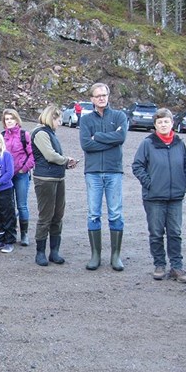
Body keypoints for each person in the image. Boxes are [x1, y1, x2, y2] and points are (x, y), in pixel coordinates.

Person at [131, 108, 186, 283]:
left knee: (175, 232)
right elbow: (137, 166)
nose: (163, 125)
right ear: (155, 125)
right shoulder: (147, 143)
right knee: (156, 232)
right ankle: (159, 265)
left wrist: (183, 181)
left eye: (166, 121)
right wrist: (150, 184)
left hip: (175, 197)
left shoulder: (179, 143)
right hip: (154, 197)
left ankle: (177, 267)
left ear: (172, 123)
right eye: (160, 122)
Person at [79, 82, 128, 271]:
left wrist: (97, 136)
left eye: (104, 95)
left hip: (114, 171)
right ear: (92, 99)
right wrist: (110, 138)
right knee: (93, 213)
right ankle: (95, 255)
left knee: (115, 213)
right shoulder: (86, 120)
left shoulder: (119, 116)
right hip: (93, 173)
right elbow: (86, 145)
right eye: (98, 95)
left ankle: (116, 256)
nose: (101, 98)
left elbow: (121, 138)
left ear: (108, 96)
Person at [31, 105, 77, 266]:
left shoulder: (50, 133)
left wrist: (65, 164)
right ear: (52, 118)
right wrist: (66, 160)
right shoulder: (41, 133)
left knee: (58, 215)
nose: (60, 123)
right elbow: (50, 155)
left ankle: (54, 251)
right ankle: (40, 252)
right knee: (45, 216)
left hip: (57, 178)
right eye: (58, 120)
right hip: (45, 179)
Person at [2, 109, 35, 246]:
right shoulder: (2, 136)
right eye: (6, 119)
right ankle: (10, 233)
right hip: (6, 176)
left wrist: (24, 169)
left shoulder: (24, 135)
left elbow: (32, 155)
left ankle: (24, 234)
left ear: (16, 120)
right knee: (8, 206)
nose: (9, 121)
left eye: (11, 118)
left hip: (21, 175)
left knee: (22, 205)